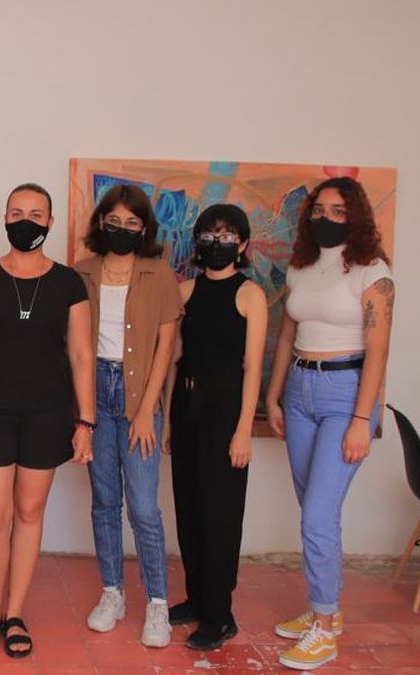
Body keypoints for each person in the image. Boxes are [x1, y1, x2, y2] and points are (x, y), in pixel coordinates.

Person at [0, 183, 95, 659]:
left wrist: (86, 423)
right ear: (5, 219)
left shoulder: (69, 283)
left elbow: (81, 355)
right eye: (16, 213)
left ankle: (15, 613)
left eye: (35, 213)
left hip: (47, 414)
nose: (25, 220)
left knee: (30, 513)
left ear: (50, 222)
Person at [264, 177, 394, 670]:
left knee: (318, 514)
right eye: (319, 209)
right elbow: (287, 334)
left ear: (356, 216)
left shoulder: (372, 271)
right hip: (299, 389)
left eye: (339, 210)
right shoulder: (300, 267)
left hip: (346, 393)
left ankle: (323, 628)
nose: (326, 218)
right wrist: (274, 395)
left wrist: (362, 419)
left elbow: (378, 351)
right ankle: (327, 609)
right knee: (314, 508)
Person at [72, 184, 180, 647]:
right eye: (114, 222)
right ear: (101, 222)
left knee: (143, 508)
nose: (122, 229)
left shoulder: (160, 274)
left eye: (132, 223)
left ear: (144, 228)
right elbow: (74, 345)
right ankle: (112, 592)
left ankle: (157, 602)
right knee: (104, 501)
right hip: (94, 390)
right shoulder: (82, 273)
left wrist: (146, 411)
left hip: (139, 396)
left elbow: (165, 347)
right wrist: (82, 413)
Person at [164, 204, 267, 650]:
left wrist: (244, 430)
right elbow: (174, 360)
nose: (217, 244)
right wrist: (168, 421)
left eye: (227, 236)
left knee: (219, 514)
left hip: (226, 413)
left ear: (241, 244)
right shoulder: (185, 291)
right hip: (186, 407)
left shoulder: (250, 295)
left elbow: (253, 367)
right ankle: (196, 599)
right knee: (188, 507)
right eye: (209, 235)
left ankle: (220, 615)